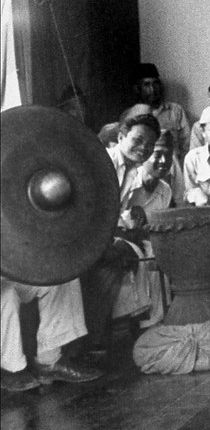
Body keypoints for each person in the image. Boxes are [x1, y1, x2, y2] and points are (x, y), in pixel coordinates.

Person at [80, 112, 162, 350]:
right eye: (137, 140)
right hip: (84, 237)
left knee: (137, 253)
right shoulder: (103, 162)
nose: (143, 148)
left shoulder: (133, 171)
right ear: (121, 136)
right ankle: (93, 341)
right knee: (115, 260)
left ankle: (127, 328)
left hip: (103, 235)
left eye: (150, 145)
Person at [1, 279, 102, 391]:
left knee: (60, 278)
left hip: (9, 274)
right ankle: (9, 369)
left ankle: (48, 362)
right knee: (7, 295)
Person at [130, 63, 191, 159]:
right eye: (146, 85)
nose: (152, 89)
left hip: (174, 167)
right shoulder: (132, 115)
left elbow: (187, 143)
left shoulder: (175, 110)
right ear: (138, 89)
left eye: (155, 84)